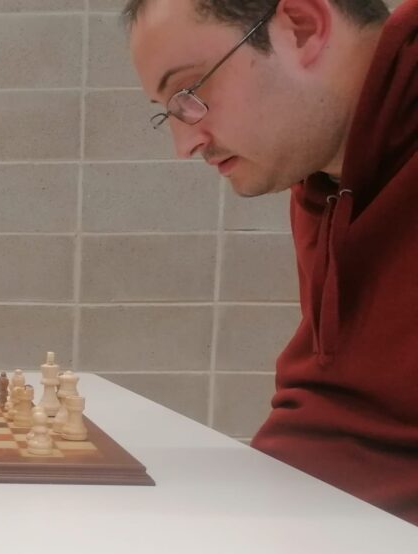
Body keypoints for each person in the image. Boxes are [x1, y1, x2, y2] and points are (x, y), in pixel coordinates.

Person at [124, 0, 417, 523]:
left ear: (302, 27)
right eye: (169, 111)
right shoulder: (325, 181)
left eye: (191, 92)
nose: (185, 144)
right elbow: (342, 413)